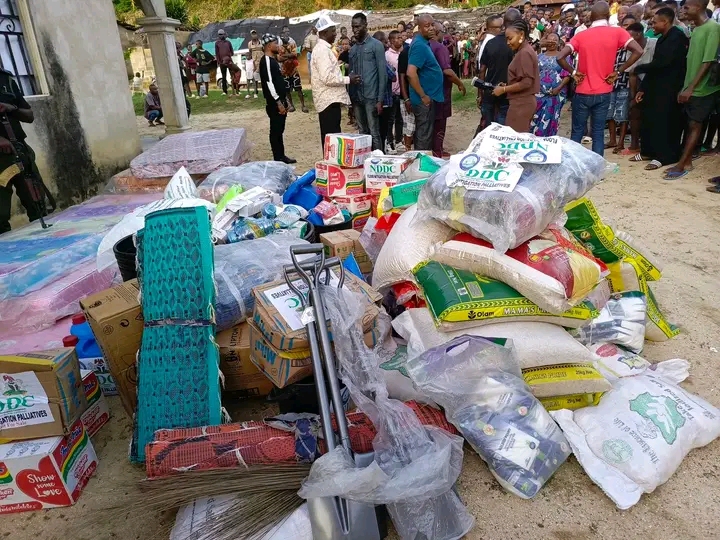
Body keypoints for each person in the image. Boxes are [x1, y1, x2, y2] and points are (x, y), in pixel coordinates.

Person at [557, 1, 643, 156]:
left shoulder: (581, 35)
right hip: (604, 90)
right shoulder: (618, 33)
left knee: (577, 132)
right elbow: (638, 50)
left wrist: (573, 72)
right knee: (597, 132)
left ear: (591, 16)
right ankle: (597, 168)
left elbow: (560, 57)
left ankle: (574, 167)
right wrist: (618, 71)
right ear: (609, 16)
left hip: (582, 91)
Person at [664, 0, 720, 179]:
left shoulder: (713, 28)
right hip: (691, 86)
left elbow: (708, 61)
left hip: (703, 89)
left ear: (700, 6)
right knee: (690, 124)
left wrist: (692, 87)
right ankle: (686, 161)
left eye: (687, 6)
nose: (683, 10)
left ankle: (682, 164)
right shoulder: (696, 29)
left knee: (695, 124)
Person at [630, 7, 688, 169]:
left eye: (655, 22)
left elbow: (663, 63)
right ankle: (648, 151)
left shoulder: (677, 37)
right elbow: (656, 65)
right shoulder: (663, 37)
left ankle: (665, 156)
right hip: (656, 88)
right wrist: (643, 88)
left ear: (665, 21)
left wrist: (641, 67)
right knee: (650, 119)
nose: (652, 25)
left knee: (666, 122)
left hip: (670, 89)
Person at [0, 69, 45, 234]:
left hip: (19, 150)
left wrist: (11, 108)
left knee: (38, 204)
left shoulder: (6, 79)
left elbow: (29, 115)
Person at [311, 16, 360, 151]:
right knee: (331, 140)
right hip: (328, 101)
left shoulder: (325, 49)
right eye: (333, 31)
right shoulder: (321, 50)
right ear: (324, 32)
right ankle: (329, 167)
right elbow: (328, 78)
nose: (335, 34)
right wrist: (348, 79)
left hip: (331, 100)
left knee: (332, 139)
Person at [476, 10, 520, 133]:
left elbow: (482, 70)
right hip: (508, 91)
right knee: (502, 129)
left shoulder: (490, 43)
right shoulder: (517, 44)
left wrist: (480, 94)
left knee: (488, 128)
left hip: (489, 89)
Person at [348, 13, 387, 151]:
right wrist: (350, 99)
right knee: (362, 133)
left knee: (374, 132)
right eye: (353, 27)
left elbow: (383, 74)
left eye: (357, 26)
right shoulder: (352, 50)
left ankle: (378, 162)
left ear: (365, 25)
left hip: (371, 97)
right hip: (356, 97)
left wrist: (380, 99)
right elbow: (350, 75)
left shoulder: (376, 46)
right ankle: (365, 161)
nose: (355, 30)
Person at [493, 19, 540, 133]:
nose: (508, 43)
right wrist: (509, 85)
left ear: (521, 34)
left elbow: (527, 82)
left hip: (522, 104)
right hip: (520, 102)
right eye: (506, 39)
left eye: (510, 38)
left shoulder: (524, 53)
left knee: (515, 140)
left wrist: (504, 89)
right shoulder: (523, 51)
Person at [407, 14, 444, 151]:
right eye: (427, 26)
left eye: (432, 25)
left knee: (425, 134)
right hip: (423, 100)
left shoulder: (424, 43)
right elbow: (411, 73)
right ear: (420, 28)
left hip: (427, 97)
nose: (431, 28)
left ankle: (422, 164)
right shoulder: (419, 46)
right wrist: (423, 96)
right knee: (424, 136)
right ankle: (421, 166)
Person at [430, 21, 466, 157]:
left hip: (428, 91)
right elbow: (447, 71)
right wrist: (460, 83)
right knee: (440, 122)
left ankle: (434, 148)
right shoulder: (440, 48)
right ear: (438, 32)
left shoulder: (423, 45)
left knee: (431, 122)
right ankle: (437, 150)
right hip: (441, 90)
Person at [259, 34, 295, 164]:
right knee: (275, 130)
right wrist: (278, 102)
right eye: (276, 43)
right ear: (269, 46)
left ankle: (281, 155)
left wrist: (286, 100)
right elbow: (269, 83)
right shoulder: (266, 61)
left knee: (280, 129)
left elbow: (278, 81)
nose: (278, 45)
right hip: (275, 103)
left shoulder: (273, 60)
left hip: (280, 100)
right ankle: (278, 157)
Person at [625, 21, 657, 155]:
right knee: (634, 112)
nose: (627, 40)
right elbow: (632, 74)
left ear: (639, 34)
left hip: (655, 84)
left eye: (630, 36)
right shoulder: (630, 48)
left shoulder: (654, 44)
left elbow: (657, 68)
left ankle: (650, 145)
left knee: (652, 116)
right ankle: (634, 144)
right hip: (638, 85)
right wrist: (633, 97)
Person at [531, 33, 572, 136]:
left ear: (558, 43)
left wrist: (558, 88)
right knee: (536, 117)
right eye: (549, 41)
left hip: (556, 94)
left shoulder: (563, 57)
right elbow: (535, 74)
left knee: (551, 117)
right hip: (539, 94)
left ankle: (548, 138)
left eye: (554, 41)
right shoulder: (539, 57)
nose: (551, 43)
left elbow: (567, 75)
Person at [278, 27, 308, 113]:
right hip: (284, 70)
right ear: (282, 34)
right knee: (287, 90)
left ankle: (303, 105)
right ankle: (291, 105)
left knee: (298, 88)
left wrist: (285, 56)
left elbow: (295, 54)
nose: (286, 34)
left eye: (287, 32)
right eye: (284, 33)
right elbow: (279, 58)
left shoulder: (292, 42)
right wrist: (289, 55)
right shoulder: (279, 44)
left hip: (293, 69)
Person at [386, 30, 405, 152]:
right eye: (398, 38)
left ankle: (399, 140)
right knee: (390, 119)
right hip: (391, 92)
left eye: (401, 37)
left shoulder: (402, 53)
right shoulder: (387, 55)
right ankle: (389, 142)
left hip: (401, 92)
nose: (400, 39)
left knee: (400, 118)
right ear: (392, 41)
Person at [398, 32, 415, 150]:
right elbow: (402, 76)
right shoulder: (405, 53)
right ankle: (407, 149)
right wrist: (406, 98)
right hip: (407, 96)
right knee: (409, 126)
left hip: (420, 95)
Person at [215, 29, 234, 96]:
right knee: (223, 76)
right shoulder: (217, 43)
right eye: (220, 34)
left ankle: (235, 90)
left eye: (222, 34)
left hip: (229, 61)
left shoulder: (228, 42)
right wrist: (219, 62)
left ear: (224, 34)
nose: (221, 35)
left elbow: (232, 52)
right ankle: (224, 91)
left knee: (232, 75)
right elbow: (217, 54)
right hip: (222, 63)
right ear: (218, 35)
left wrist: (228, 57)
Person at [247, 30, 263, 99]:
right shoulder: (250, 43)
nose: (254, 35)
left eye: (255, 34)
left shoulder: (261, 42)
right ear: (251, 35)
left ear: (257, 34)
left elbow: (265, 50)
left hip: (262, 62)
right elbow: (249, 53)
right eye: (252, 34)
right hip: (254, 63)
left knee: (263, 78)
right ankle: (255, 92)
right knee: (255, 79)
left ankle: (265, 91)